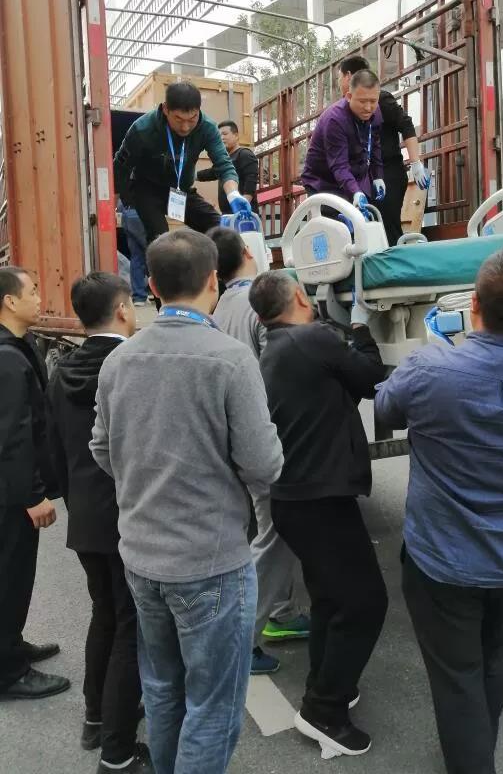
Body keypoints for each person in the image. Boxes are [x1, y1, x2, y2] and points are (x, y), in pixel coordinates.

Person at [375, 246, 503, 774]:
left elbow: (385, 409)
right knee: (493, 654)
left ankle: (474, 760)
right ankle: (477, 746)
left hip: (442, 560)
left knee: (457, 676)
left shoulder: (430, 369)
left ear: (473, 306)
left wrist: (436, 354)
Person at [90, 230, 284, 774]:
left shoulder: (119, 361)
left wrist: (145, 483)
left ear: (150, 285)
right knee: (213, 704)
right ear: (213, 281)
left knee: (162, 687)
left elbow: (102, 448)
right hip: (210, 560)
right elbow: (263, 465)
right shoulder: (230, 360)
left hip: (141, 557)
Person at [250, 271, 388, 758]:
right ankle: (323, 711)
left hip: (297, 498)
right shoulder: (311, 339)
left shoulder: (276, 347)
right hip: (319, 500)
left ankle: (327, 686)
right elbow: (371, 377)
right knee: (366, 602)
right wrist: (363, 326)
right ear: (297, 296)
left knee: (331, 600)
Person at [47, 274, 150, 773]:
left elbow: (54, 450)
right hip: (128, 514)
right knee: (131, 625)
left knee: (105, 613)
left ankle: (96, 714)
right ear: (125, 309)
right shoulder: (132, 365)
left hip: (86, 516)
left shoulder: (61, 370)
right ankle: (118, 748)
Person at [210, 227, 310, 677]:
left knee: (276, 533)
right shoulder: (260, 303)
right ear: (248, 252)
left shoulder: (220, 307)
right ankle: (242, 640)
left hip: (241, 435)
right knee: (270, 540)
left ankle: (283, 613)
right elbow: (281, 371)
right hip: (267, 437)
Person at [0, 268, 70, 702]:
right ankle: (9, 672)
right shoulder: (7, 358)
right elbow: (12, 435)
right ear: (10, 301)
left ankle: (11, 644)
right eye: (33, 291)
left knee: (14, 574)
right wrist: (32, 496)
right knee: (10, 576)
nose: (40, 297)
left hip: (12, 491)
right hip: (11, 497)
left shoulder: (16, 347)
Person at [113, 81, 251, 246]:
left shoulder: (207, 128)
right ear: (166, 109)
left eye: (192, 119)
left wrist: (233, 194)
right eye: (178, 119)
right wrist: (112, 207)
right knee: (161, 241)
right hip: (147, 189)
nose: (185, 127)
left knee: (222, 231)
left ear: (198, 111)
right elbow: (120, 168)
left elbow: (224, 166)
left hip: (180, 190)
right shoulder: (142, 129)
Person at [337, 57, 429, 246]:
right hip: (366, 177)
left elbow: (406, 125)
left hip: (388, 174)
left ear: (348, 76)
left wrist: (416, 162)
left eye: (339, 77)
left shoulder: (381, 99)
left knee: (387, 227)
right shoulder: (347, 108)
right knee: (368, 229)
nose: (368, 106)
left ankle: (395, 262)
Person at [301, 69, 386, 215]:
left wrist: (378, 176)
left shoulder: (375, 111)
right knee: (336, 223)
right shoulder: (334, 119)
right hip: (324, 182)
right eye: (362, 101)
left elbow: (375, 145)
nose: (368, 108)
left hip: (355, 176)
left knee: (366, 219)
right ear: (349, 96)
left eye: (373, 101)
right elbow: (339, 165)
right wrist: (355, 191)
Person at [197, 121, 260, 216]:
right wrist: (191, 175)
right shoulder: (224, 160)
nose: (222, 138)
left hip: (244, 214)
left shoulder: (244, 154)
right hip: (228, 215)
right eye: (219, 135)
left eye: (225, 134)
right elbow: (212, 172)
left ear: (236, 136)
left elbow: (250, 183)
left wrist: (242, 209)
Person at [119, 201, 149, 306]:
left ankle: (139, 297)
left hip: (127, 213)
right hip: (144, 211)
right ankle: (163, 293)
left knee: (136, 257)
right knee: (153, 253)